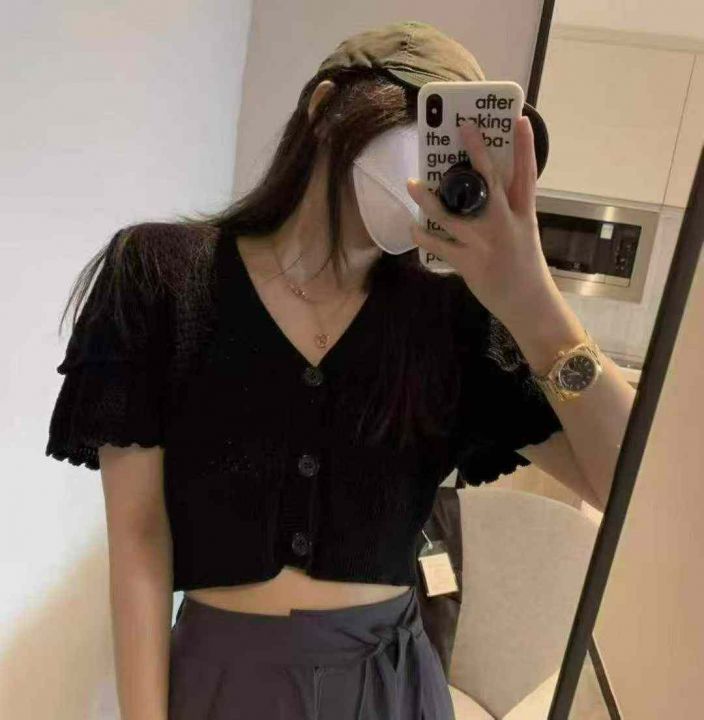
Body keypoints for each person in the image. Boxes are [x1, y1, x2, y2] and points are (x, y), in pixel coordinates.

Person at [45, 20, 635, 720]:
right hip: (223, 687)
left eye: (469, 153)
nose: (444, 168)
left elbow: (629, 486)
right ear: (326, 109)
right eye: (432, 127)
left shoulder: (453, 319)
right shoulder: (160, 277)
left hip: (391, 689)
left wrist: (533, 301)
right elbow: (140, 537)